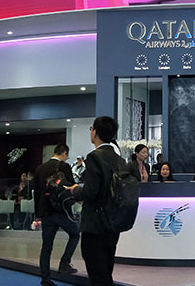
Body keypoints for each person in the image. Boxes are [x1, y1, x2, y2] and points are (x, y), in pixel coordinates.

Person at [68, 116, 127, 286]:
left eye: (91, 129)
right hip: (112, 223)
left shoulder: (94, 157)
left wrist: (75, 190)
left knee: (96, 273)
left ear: (95, 132)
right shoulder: (119, 159)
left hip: (95, 225)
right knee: (106, 271)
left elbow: (90, 192)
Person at [34, 143, 79, 286]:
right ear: (64, 153)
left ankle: (45, 279)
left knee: (46, 247)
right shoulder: (64, 167)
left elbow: (37, 193)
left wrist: (38, 214)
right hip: (62, 211)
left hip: (46, 213)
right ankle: (64, 263)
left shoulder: (40, 169)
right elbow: (71, 187)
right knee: (75, 234)